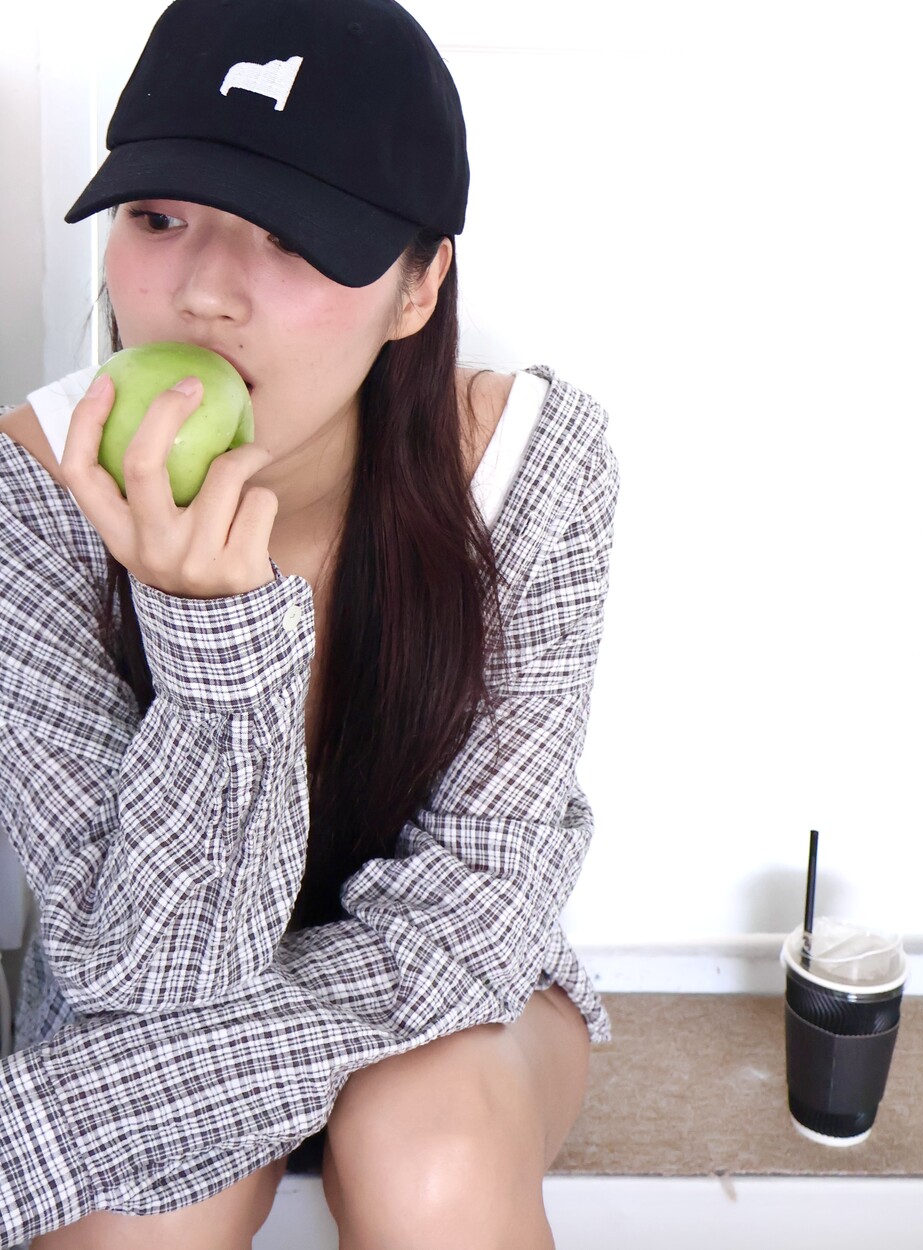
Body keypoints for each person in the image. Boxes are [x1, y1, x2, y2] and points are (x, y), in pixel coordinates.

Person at [0, 0, 618, 1245]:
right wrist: (212, 642)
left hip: (454, 1010)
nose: (201, 294)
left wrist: (55, 1128)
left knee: (429, 1144)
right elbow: (142, 973)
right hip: (142, 1005)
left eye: (291, 237)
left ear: (418, 285)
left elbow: (474, 910)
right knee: (141, 1220)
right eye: (157, 217)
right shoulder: (34, 489)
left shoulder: (530, 471)